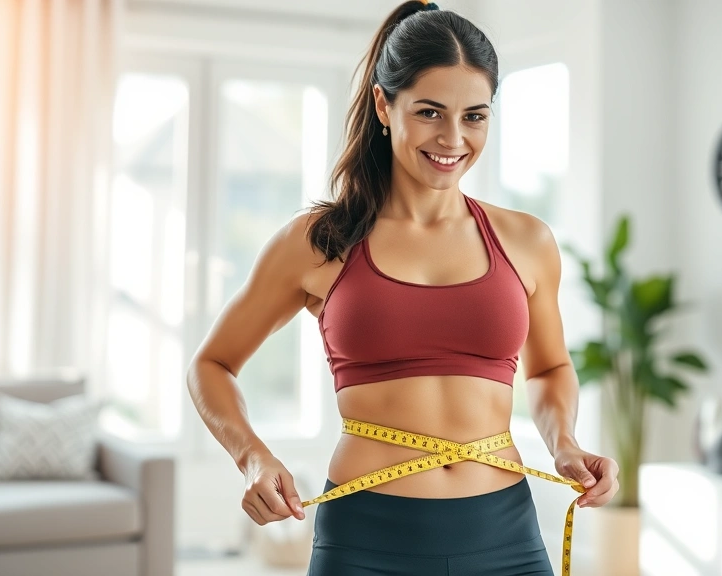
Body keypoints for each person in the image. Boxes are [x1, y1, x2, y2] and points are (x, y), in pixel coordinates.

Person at [186, 1, 619, 574]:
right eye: (430, 112)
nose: (453, 138)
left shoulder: (527, 240)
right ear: (383, 106)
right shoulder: (320, 240)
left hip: (505, 535)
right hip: (367, 539)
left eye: (475, 116)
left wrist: (563, 442)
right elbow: (211, 364)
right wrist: (253, 458)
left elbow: (547, 369)